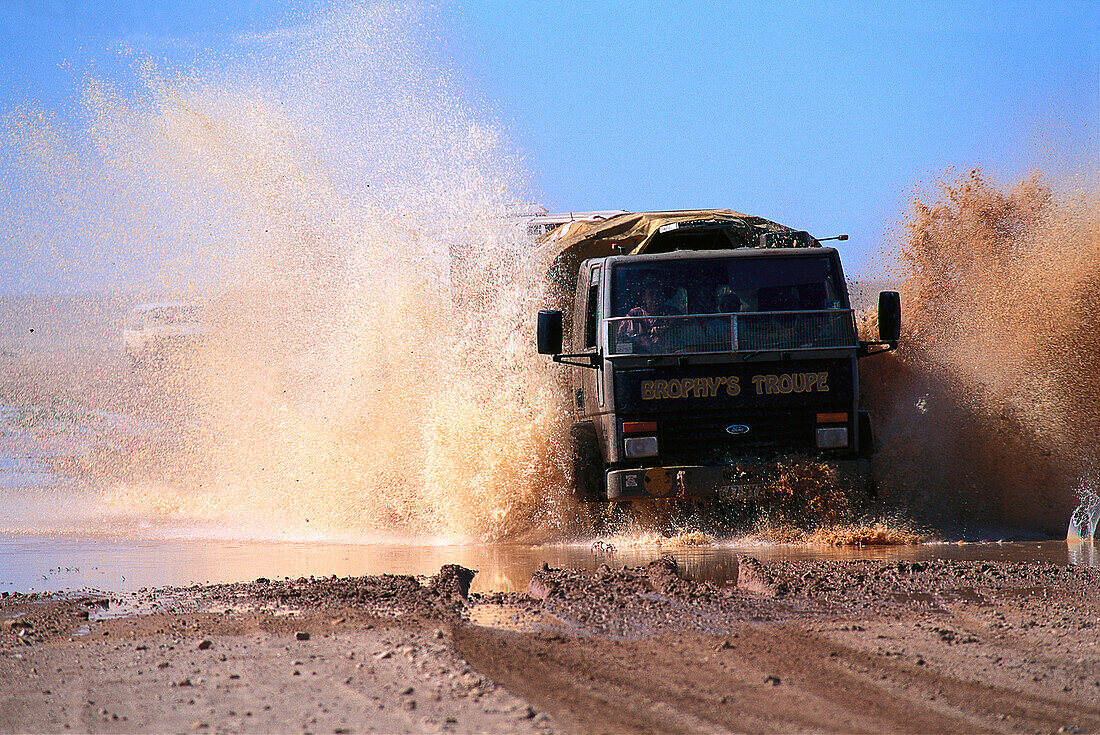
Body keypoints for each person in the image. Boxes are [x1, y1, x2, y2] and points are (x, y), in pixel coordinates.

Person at [618, 277, 672, 352]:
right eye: (651, 294)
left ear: (663, 297)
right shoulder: (634, 314)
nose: (655, 298)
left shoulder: (671, 312)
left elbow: (681, 333)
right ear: (644, 297)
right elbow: (622, 340)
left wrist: (665, 330)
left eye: (659, 294)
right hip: (639, 358)